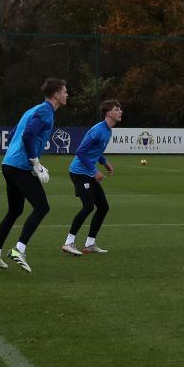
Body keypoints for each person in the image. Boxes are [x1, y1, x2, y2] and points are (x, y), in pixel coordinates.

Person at [0, 78, 68, 273]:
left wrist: (33, 161)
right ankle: (19, 250)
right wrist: (35, 161)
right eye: (65, 92)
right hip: (20, 166)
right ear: (56, 95)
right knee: (42, 207)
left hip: (9, 163)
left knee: (15, 210)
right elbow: (27, 135)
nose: (67, 95)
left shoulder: (33, 109)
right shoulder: (45, 111)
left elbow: (13, 134)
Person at [63, 100, 121, 255]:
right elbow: (81, 152)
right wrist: (94, 171)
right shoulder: (98, 130)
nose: (120, 111)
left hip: (88, 173)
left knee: (103, 207)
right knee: (88, 206)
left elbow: (96, 151)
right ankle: (68, 242)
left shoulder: (108, 131)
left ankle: (90, 244)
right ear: (109, 113)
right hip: (79, 173)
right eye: (117, 109)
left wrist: (104, 162)